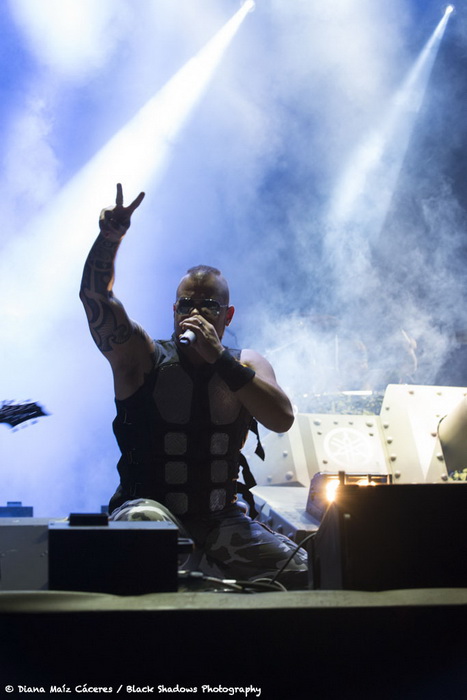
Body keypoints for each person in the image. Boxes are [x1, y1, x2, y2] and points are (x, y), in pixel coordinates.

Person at [79, 184, 307, 588]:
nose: (195, 312)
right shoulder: (143, 357)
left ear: (227, 316)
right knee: (148, 530)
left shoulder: (246, 363)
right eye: (186, 304)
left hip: (221, 518)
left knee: (301, 570)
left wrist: (219, 358)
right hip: (148, 510)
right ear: (174, 310)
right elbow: (96, 299)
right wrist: (110, 237)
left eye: (208, 305)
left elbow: (282, 418)